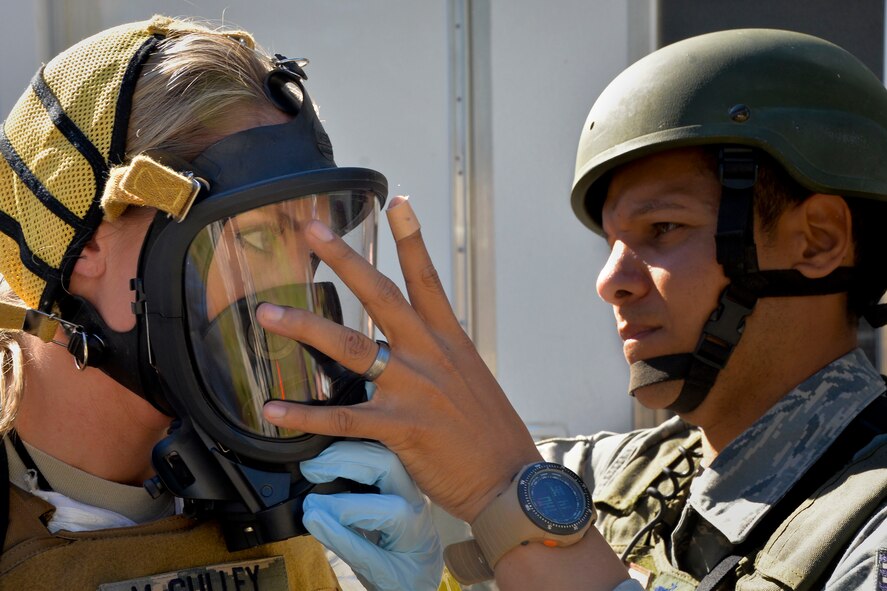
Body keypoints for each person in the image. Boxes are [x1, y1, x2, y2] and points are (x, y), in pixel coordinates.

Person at [257, 28, 887, 590]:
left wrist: (509, 499)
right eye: (611, 243)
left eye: (663, 229)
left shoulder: (869, 530)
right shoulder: (612, 478)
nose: (610, 281)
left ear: (818, 240)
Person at [0, 15, 444, 590]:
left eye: (312, 248)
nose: (296, 290)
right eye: (256, 239)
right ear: (85, 243)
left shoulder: (308, 500)